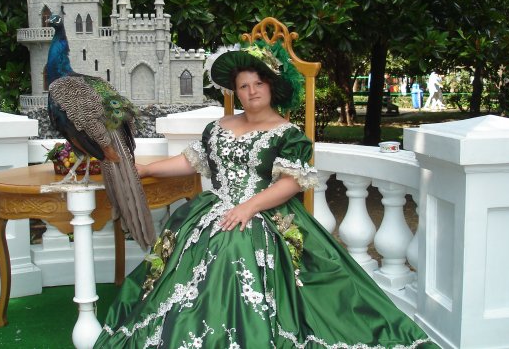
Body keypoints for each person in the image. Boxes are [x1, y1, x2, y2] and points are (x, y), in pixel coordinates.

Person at [94, 40, 436, 348]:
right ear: (236, 92)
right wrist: (146, 169)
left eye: (258, 83)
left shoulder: (288, 134)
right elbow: (190, 161)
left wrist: (248, 207)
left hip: (265, 212)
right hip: (212, 209)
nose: (251, 91)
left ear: (271, 86)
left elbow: (290, 183)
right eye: (243, 86)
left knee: (234, 245)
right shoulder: (218, 127)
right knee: (198, 249)